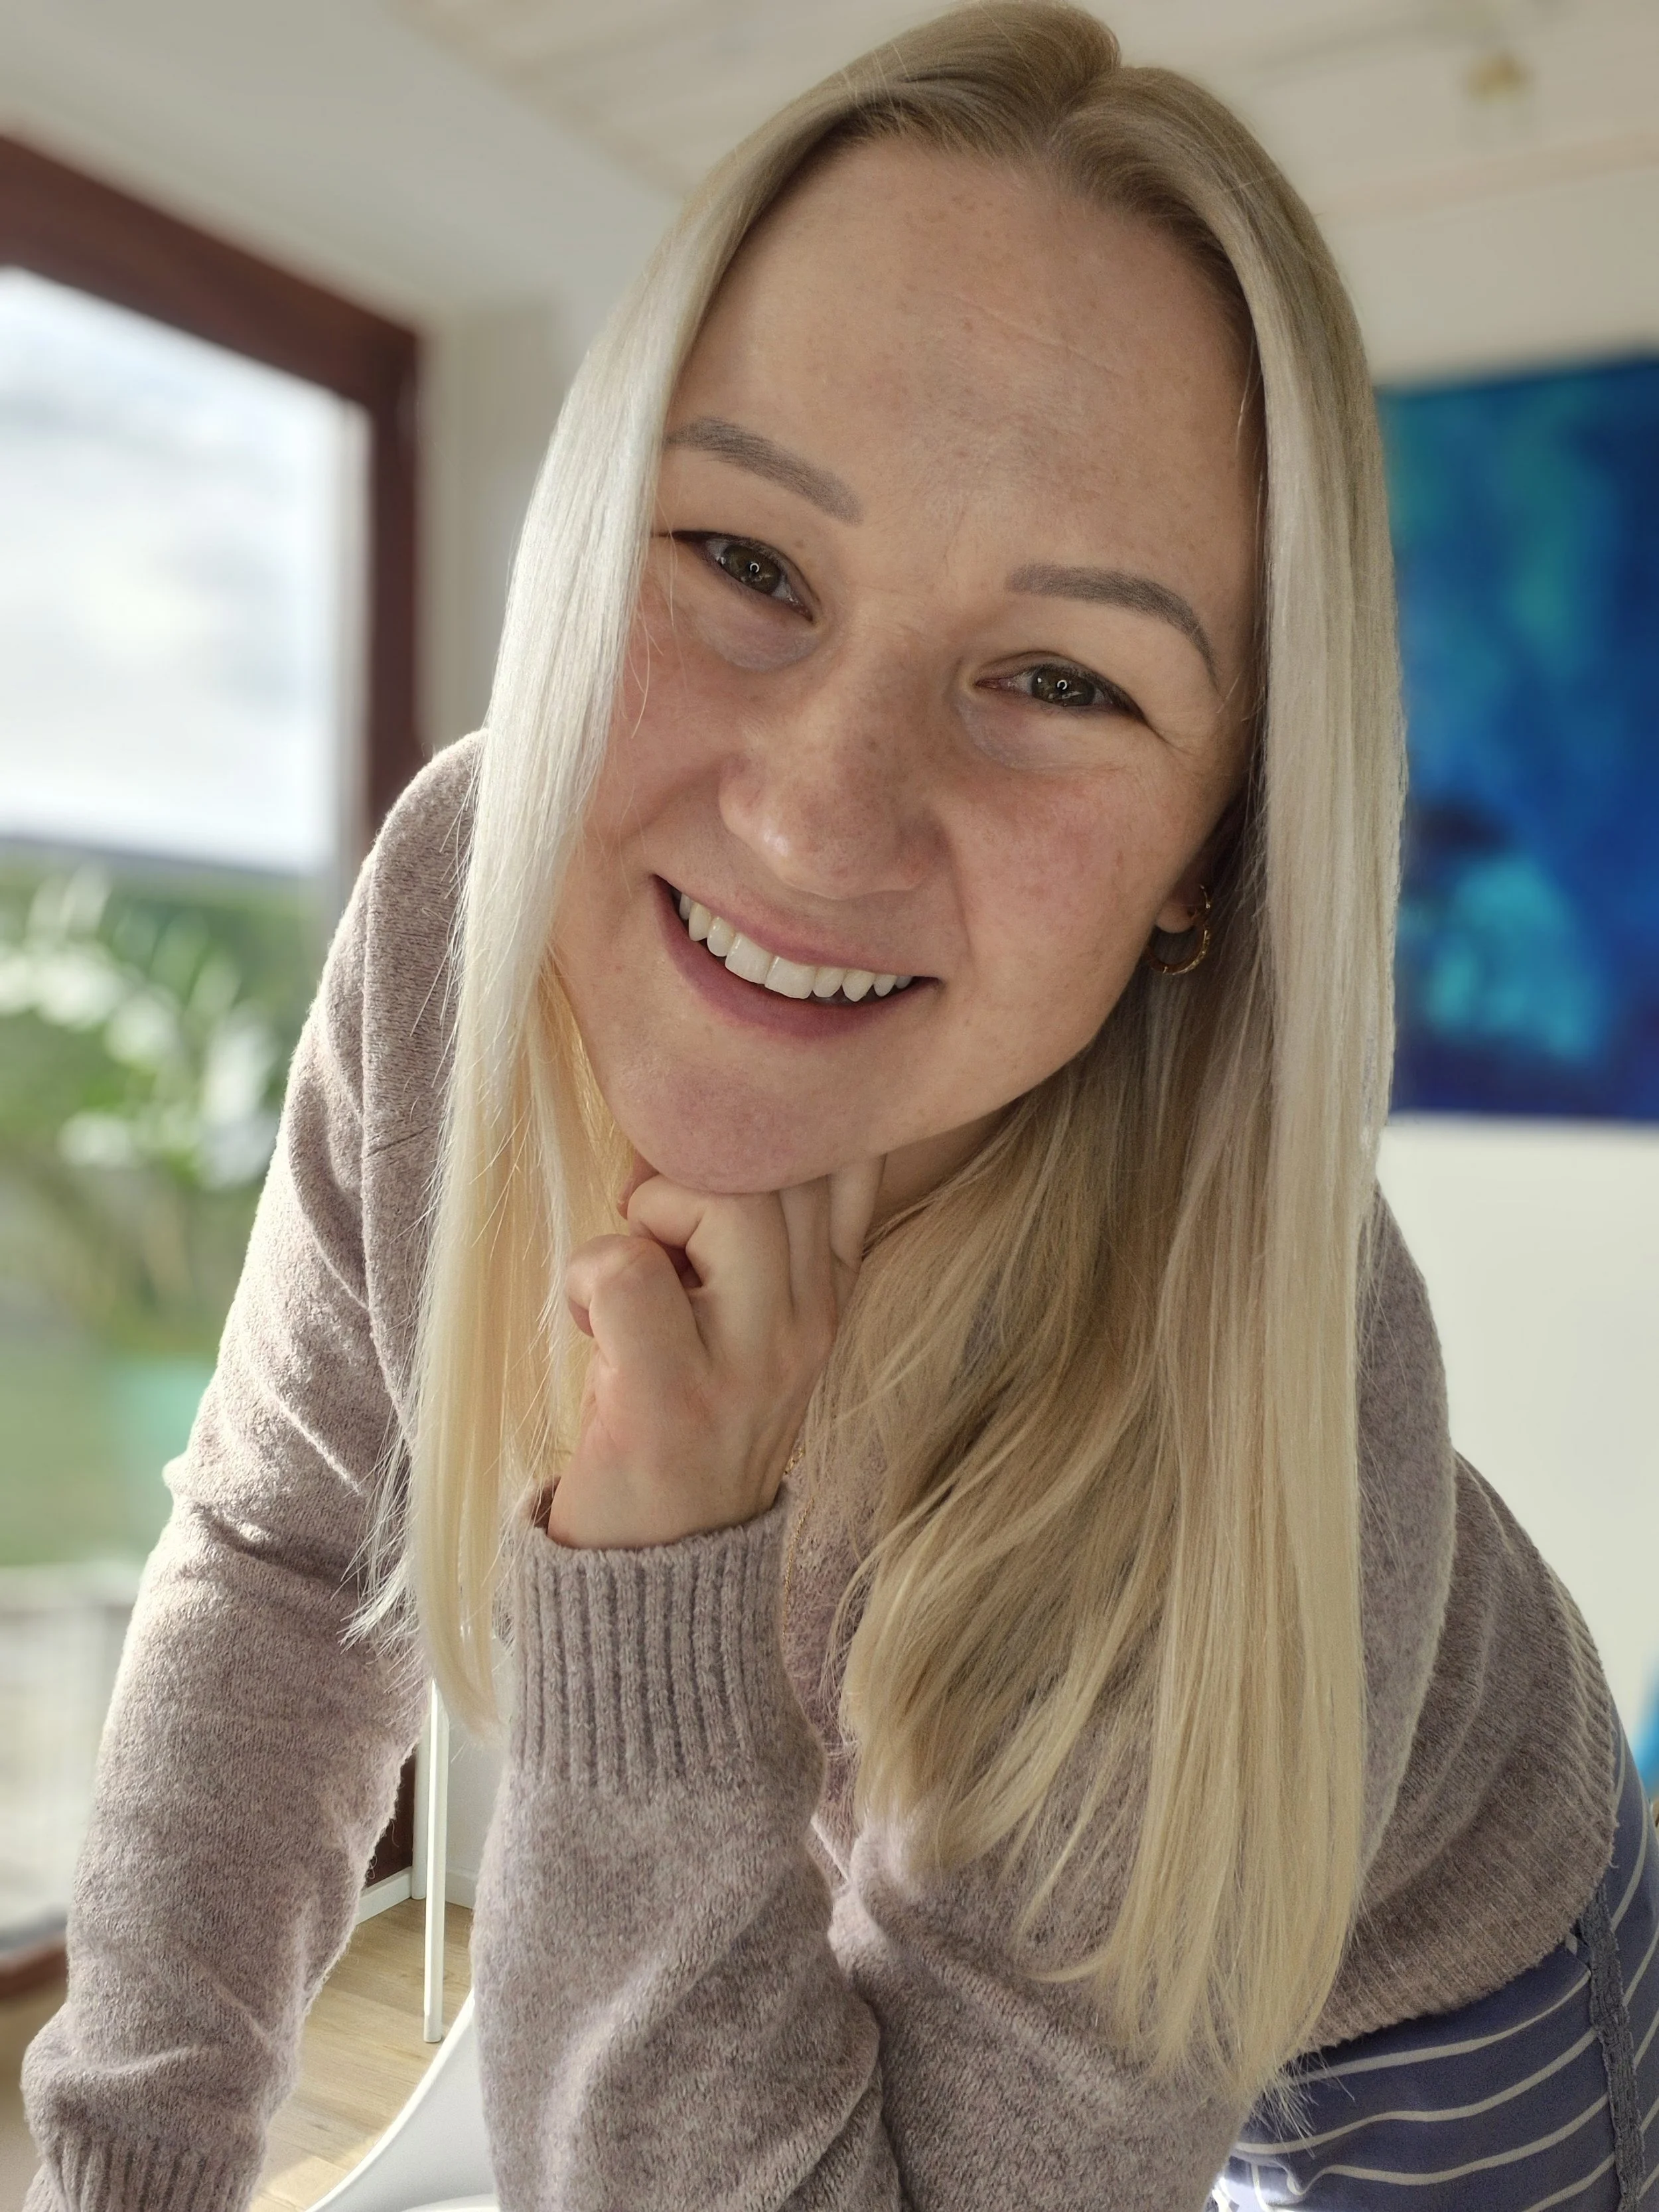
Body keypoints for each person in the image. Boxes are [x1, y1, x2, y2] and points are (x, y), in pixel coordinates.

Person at [23, 7, 1658, 2208]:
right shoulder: (452, 919)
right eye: (746, 561)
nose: (815, 815)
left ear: (1210, 862)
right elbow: (282, 1559)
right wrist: (123, 2171)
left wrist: (656, 1585)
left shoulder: (1239, 1401)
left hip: (1423, 1991)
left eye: (1060, 677)